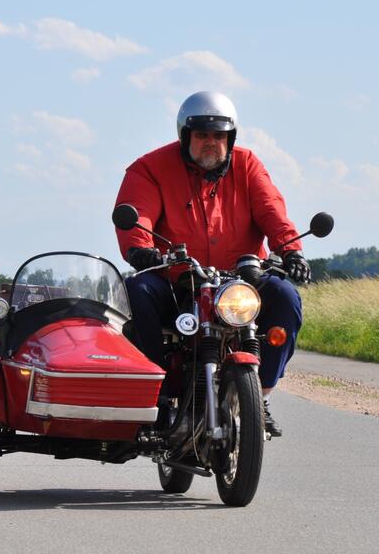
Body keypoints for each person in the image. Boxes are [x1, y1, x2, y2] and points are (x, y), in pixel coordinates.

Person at [113, 91, 310, 437]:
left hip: (240, 282)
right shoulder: (150, 168)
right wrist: (140, 249)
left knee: (285, 296)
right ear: (185, 135)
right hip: (178, 281)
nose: (211, 143)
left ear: (230, 139)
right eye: (202, 135)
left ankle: (260, 394)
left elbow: (271, 210)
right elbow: (137, 214)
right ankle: (158, 390)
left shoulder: (247, 165)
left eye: (219, 136)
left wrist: (292, 251)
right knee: (136, 291)